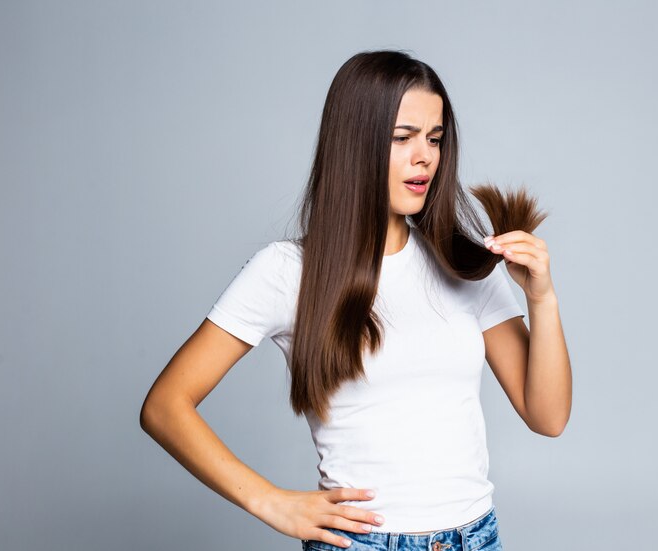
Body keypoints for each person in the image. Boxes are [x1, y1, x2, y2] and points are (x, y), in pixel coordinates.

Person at [140, 49, 572, 551]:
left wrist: (542, 299)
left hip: (473, 538)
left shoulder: (463, 263)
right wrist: (271, 502)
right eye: (402, 137)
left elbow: (549, 417)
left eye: (434, 138)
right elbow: (165, 406)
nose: (425, 156)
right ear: (356, 144)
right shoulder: (289, 272)